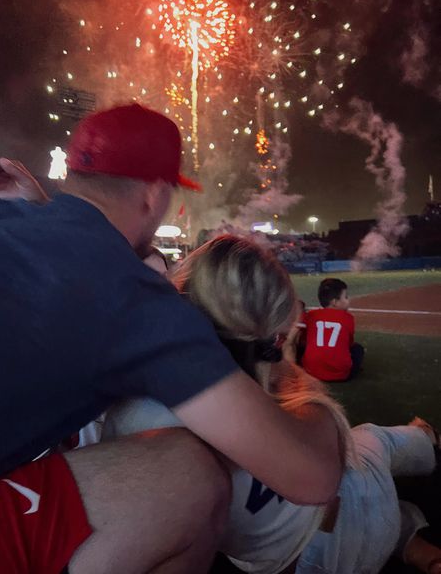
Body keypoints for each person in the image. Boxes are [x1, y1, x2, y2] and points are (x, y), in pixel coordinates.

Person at [0, 104, 341, 573]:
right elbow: (311, 479)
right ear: (154, 194)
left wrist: (41, 210)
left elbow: (67, 263)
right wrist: (312, 399)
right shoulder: (136, 301)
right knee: (190, 478)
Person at [100, 235, 441, 574]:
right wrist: (283, 358)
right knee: (373, 440)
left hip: (302, 565)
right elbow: (324, 465)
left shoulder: (126, 413)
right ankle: (427, 439)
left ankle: (411, 543)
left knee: (362, 487)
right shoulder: (262, 386)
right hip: (358, 513)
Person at [301, 277, 364, 381]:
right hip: (341, 375)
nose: (348, 300)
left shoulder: (311, 315)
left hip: (311, 372)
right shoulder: (348, 318)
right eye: (346, 297)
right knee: (358, 349)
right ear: (335, 302)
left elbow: (303, 340)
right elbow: (348, 344)